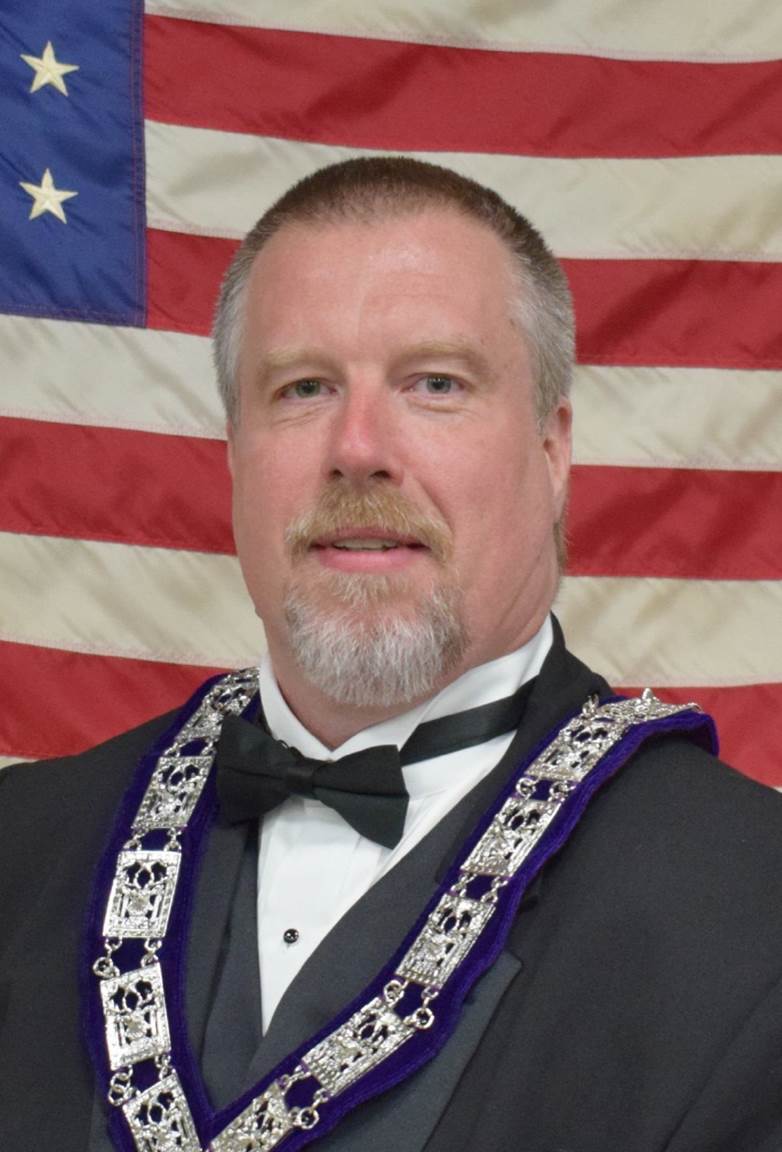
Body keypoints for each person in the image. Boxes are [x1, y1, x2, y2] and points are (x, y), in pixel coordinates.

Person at [1, 157, 781, 1152]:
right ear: (235, 453)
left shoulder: (751, 906)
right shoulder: (22, 848)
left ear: (551, 452)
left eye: (434, 384)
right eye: (304, 388)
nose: (358, 447)